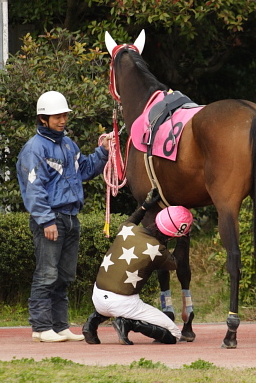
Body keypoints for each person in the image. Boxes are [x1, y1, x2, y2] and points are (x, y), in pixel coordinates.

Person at [17, 90, 110, 343]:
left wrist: (103, 151)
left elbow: (86, 170)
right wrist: (46, 220)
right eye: (56, 116)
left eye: (64, 115)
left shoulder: (68, 144)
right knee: (46, 273)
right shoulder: (34, 148)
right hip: (51, 219)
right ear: (42, 119)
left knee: (64, 275)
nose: (62, 120)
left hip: (71, 217)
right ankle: (40, 327)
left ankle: (59, 327)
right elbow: (33, 189)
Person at [82, 203, 193, 345]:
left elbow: (132, 219)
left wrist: (145, 206)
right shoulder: (157, 250)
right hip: (123, 304)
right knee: (174, 335)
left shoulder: (127, 228)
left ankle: (92, 321)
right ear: (174, 235)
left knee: (113, 304)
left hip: (97, 297)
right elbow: (175, 263)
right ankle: (128, 324)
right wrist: (184, 238)